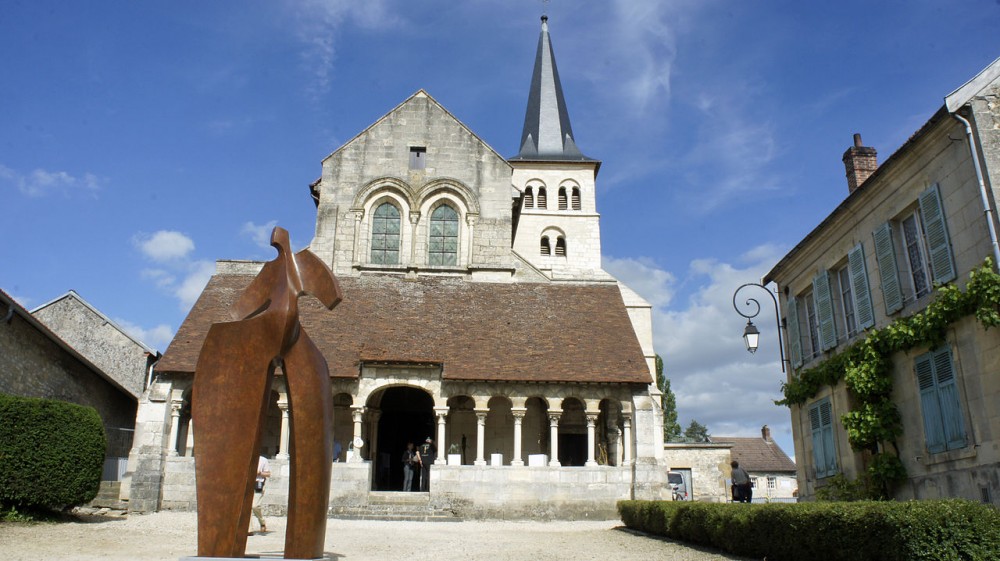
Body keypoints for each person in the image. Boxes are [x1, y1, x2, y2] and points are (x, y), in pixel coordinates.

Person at [249, 455, 271, 535]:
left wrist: (259, 473)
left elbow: (268, 474)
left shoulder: (263, 460)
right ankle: (249, 529)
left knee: (255, 506)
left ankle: (262, 522)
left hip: (258, 484)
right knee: (247, 507)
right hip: (247, 484)